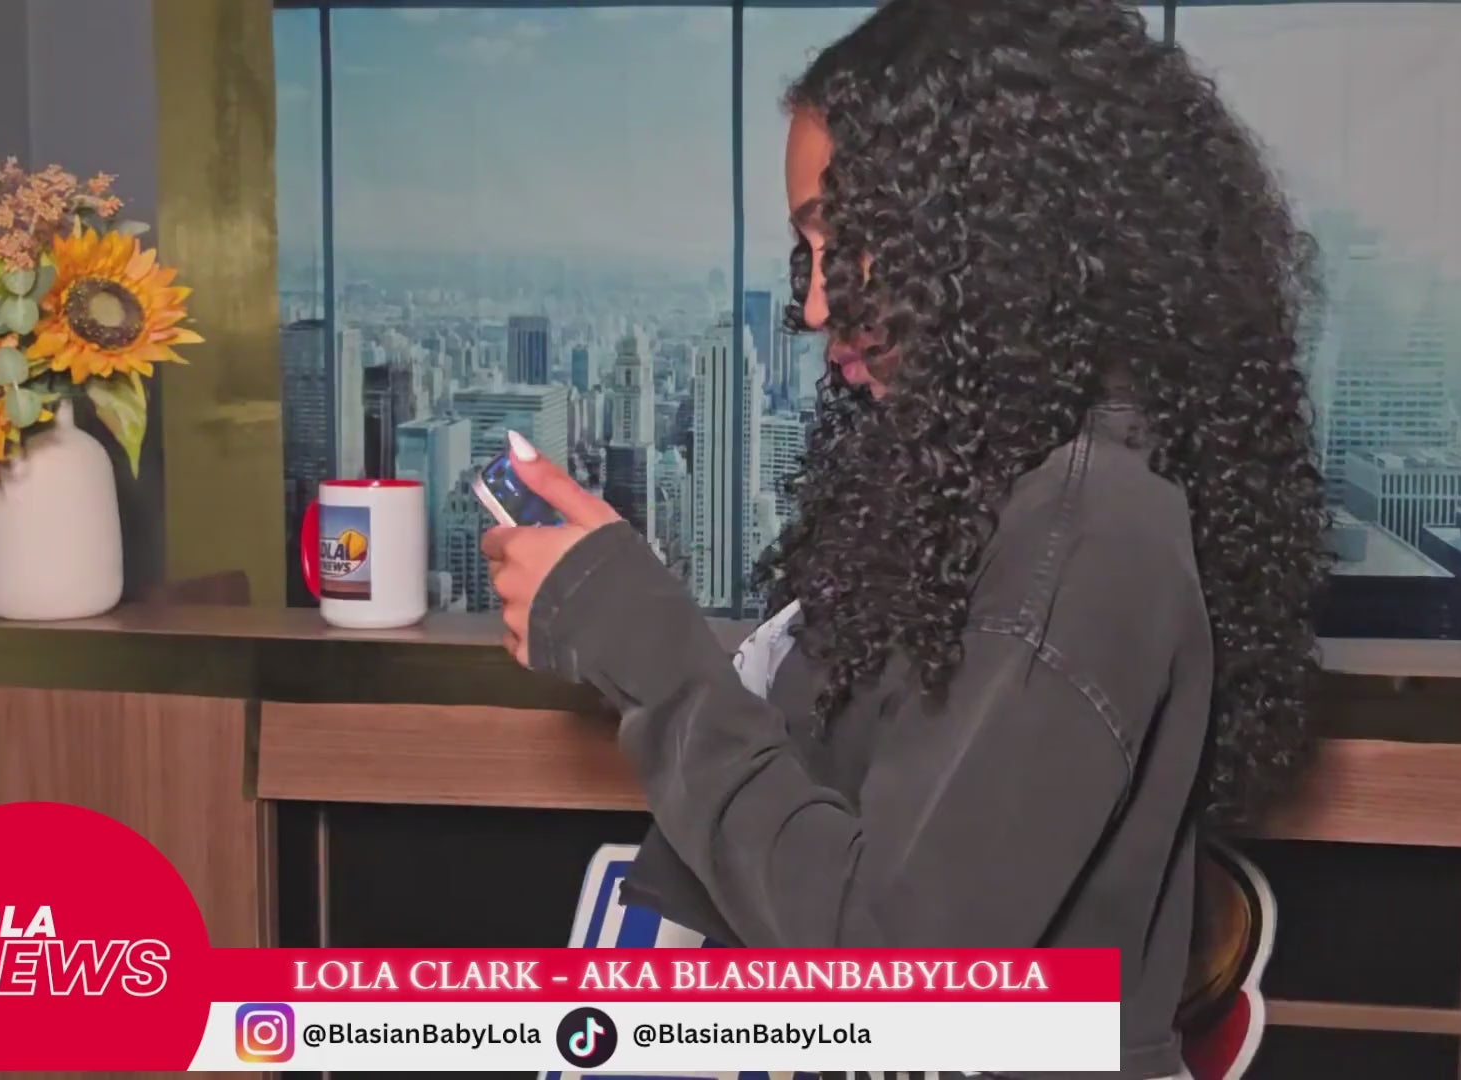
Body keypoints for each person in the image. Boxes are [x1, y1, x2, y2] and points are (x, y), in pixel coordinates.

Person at [482, 1, 1327, 1076]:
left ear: (1001, 230)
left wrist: (642, 643)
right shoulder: (986, 487)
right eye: (809, 251)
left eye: (858, 241)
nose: (817, 303)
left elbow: (899, 968)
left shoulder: (1088, 538)